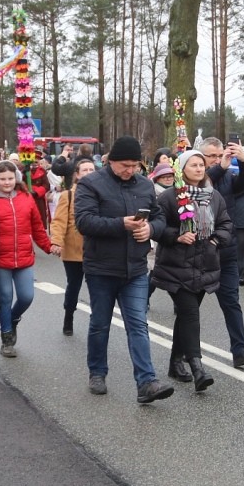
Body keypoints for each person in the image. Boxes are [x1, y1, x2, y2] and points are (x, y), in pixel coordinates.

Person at [73, 136, 174, 404]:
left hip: (136, 269)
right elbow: (84, 222)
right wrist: (122, 224)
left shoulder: (144, 185)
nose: (130, 170)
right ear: (111, 161)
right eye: (125, 165)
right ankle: (97, 372)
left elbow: (159, 217)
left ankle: (146, 382)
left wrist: (151, 229)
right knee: (100, 323)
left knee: (138, 324)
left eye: (135, 165)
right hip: (101, 268)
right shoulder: (90, 184)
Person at [153, 150, 232, 391]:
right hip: (176, 266)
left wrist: (217, 240)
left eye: (201, 165)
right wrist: (177, 236)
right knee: (190, 314)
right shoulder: (169, 197)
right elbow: (157, 227)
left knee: (186, 316)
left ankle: (175, 362)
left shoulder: (214, 196)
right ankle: (197, 366)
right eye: (193, 165)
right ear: (182, 169)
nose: (199, 169)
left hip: (204, 265)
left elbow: (226, 223)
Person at [199, 137, 244, 368]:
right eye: (211, 156)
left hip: (226, 250)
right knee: (191, 308)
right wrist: (219, 167)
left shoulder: (226, 176)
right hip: (201, 253)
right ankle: (183, 354)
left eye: (219, 154)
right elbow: (202, 187)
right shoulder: (194, 178)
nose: (216, 159)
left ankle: (239, 350)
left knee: (232, 302)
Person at [0, 160, 52, 358]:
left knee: (26, 296)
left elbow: (37, 226)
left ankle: (13, 319)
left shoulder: (25, 197)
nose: (6, 182)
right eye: (2, 179)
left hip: (23, 256)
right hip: (0, 259)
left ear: (16, 178)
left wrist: (49, 247)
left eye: (9, 178)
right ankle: (6, 338)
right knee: (5, 297)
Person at [49, 156, 96, 336]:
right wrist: (57, 242)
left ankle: (96, 320)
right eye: (84, 170)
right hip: (73, 251)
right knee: (74, 286)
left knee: (96, 289)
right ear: (77, 175)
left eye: (92, 170)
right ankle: (69, 316)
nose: (88, 173)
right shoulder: (68, 195)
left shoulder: (101, 194)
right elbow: (59, 221)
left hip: (95, 251)